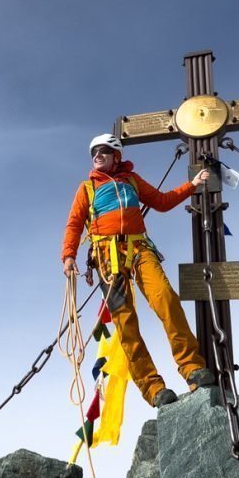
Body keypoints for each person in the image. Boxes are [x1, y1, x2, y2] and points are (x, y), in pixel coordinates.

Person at [61, 133, 216, 408]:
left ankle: (192, 368)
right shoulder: (86, 189)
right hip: (107, 260)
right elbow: (74, 224)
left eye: (103, 151)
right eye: (94, 151)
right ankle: (153, 387)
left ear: (116, 156)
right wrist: (68, 256)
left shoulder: (132, 181)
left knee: (166, 299)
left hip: (140, 250)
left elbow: (162, 201)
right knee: (126, 323)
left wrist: (192, 185)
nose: (97, 155)